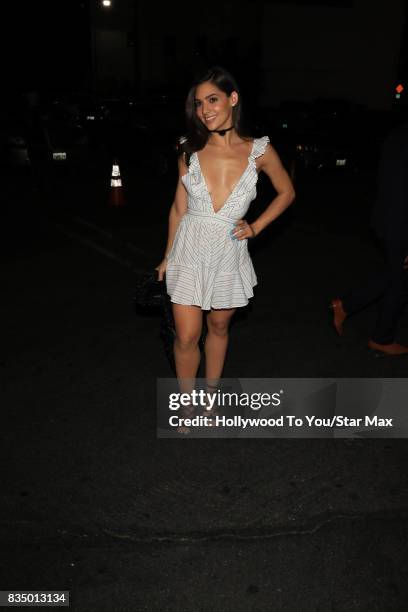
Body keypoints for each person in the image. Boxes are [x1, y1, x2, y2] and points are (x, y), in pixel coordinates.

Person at [155, 66, 295, 432]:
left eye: (212, 99)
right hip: (189, 248)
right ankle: (187, 406)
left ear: (232, 99)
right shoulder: (189, 149)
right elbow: (179, 207)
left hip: (228, 252)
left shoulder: (259, 151)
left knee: (218, 328)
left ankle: (210, 398)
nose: (204, 109)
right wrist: (168, 255)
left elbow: (287, 192)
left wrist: (256, 226)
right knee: (186, 336)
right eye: (199, 103)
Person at [330, 120, 408, 355]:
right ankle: (381, 338)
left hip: (388, 217)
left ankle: (346, 306)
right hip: (400, 222)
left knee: (396, 273)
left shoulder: (400, 131)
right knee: (401, 281)